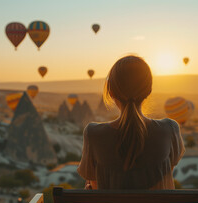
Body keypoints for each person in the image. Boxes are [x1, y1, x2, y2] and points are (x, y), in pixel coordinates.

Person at [77, 55, 185, 189]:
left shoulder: (94, 134)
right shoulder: (169, 129)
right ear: (149, 91)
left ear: (111, 92)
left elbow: (95, 185)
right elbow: (165, 177)